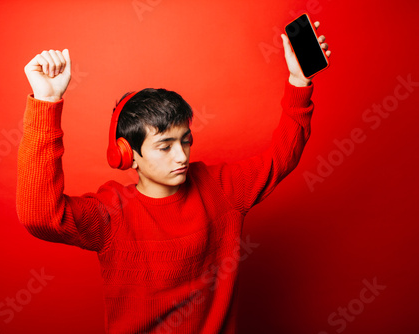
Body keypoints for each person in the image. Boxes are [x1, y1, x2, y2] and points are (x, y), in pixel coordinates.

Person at [17, 22, 331, 334]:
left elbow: (281, 157)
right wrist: (46, 102)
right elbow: (41, 216)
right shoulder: (111, 215)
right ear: (127, 155)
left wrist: (298, 81)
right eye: (165, 146)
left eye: (185, 140)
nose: (181, 156)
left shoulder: (220, 188)